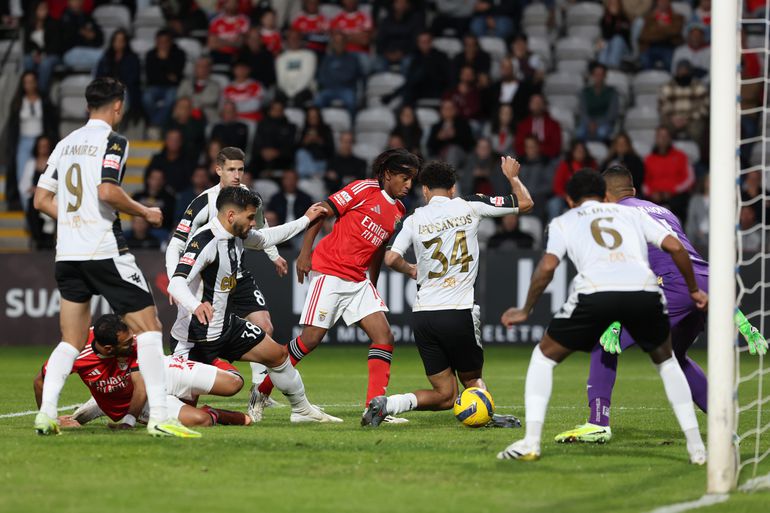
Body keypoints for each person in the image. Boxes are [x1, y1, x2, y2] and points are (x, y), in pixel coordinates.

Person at [496, 169, 708, 464]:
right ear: (604, 194)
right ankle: (697, 447)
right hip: (645, 291)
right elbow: (675, 247)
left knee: (545, 356)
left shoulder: (565, 220)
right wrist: (694, 289)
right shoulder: (636, 214)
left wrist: (525, 309)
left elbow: (547, 267)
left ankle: (534, 441)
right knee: (668, 362)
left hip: (597, 292)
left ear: (569, 199)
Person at [32, 77, 197, 438]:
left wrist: (74, 220)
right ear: (118, 106)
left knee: (72, 340)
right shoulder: (114, 141)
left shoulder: (64, 143)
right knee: (149, 328)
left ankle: (46, 414)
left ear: (87, 105)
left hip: (68, 253)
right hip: (103, 249)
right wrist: (145, 212)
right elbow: (107, 191)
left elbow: (41, 200)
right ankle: (159, 417)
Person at [553, 166, 767, 443]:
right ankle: (724, 429)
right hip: (708, 282)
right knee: (676, 356)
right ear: (632, 190)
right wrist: (741, 322)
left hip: (673, 286)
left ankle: (598, 423)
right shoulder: (663, 212)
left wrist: (616, 321)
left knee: (602, 343)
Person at [250, 149, 422, 422]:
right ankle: (261, 391)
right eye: (405, 178)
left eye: (412, 179)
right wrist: (305, 254)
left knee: (384, 337)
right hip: (330, 272)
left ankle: (374, 409)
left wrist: (373, 282)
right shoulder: (363, 189)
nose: (409, 185)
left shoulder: (398, 210)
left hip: (358, 280)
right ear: (388, 174)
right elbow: (321, 212)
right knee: (310, 340)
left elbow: (379, 248)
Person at [363, 157, 533, 426]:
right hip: (458, 311)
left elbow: (391, 258)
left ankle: (389, 404)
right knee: (472, 379)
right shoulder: (470, 205)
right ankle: (486, 417)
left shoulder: (414, 219)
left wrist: (411, 270)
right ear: (453, 188)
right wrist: (512, 177)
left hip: (424, 316)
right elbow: (525, 203)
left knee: (445, 395)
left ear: (425, 190)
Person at [167, 186, 340, 423]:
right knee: (184, 415)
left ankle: (302, 410)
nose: (253, 223)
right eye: (250, 217)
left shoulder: (238, 235)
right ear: (231, 215)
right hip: (194, 338)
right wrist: (195, 305)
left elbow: (268, 237)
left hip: (226, 327)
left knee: (278, 355)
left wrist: (305, 220)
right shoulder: (205, 241)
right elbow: (176, 283)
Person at [166, 148, 289, 420]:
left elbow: (260, 230)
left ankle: (259, 391)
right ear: (218, 170)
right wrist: (176, 278)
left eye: (240, 169)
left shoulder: (248, 198)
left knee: (265, 325)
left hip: (237, 273)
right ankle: (184, 378)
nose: (236, 175)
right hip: (208, 275)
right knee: (203, 334)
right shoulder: (203, 202)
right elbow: (176, 243)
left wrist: (274, 256)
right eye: (231, 169)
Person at [34, 314, 250, 430]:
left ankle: (207, 357)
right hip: (139, 400)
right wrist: (49, 417)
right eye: (127, 343)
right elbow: (40, 382)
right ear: (109, 349)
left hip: (161, 370)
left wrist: (128, 422)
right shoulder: (76, 351)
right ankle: (214, 412)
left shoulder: (133, 342)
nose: (134, 342)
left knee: (233, 384)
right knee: (202, 420)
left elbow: (141, 384)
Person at [7, 71, 58, 210]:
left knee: (45, 174)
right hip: (23, 142)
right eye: (26, 82)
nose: (29, 85)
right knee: (22, 174)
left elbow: (51, 122)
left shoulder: (44, 100)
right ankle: (28, 209)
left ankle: (42, 208)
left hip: (41, 142)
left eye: (32, 82)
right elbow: (13, 126)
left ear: (36, 83)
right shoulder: (18, 102)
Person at [642, 126, 693, 220]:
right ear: (656, 138)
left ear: (670, 138)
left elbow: (689, 179)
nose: (663, 139)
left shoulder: (681, 156)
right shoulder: (648, 159)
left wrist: (673, 191)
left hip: (676, 196)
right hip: (654, 197)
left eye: (665, 136)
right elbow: (644, 181)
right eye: (660, 136)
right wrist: (651, 193)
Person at [95, 29, 142, 123]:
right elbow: (99, 75)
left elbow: (133, 77)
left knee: (121, 95)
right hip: (107, 87)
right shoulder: (106, 57)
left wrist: (118, 84)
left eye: (121, 41)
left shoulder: (132, 58)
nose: (118, 43)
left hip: (125, 87)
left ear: (125, 43)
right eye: (116, 40)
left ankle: (118, 120)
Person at [143, 29, 186, 129]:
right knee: (146, 98)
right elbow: (151, 76)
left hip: (172, 87)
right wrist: (168, 75)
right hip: (154, 86)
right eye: (160, 42)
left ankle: (154, 125)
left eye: (165, 42)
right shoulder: (151, 54)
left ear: (170, 42)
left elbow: (177, 75)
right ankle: (157, 124)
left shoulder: (179, 54)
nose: (162, 45)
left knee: (170, 100)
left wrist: (164, 60)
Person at [659, 59, 709, 146]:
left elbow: (704, 107)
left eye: (685, 71)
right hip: (673, 119)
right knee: (663, 131)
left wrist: (687, 119)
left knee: (697, 131)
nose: (682, 73)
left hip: (692, 120)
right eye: (680, 70)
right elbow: (662, 106)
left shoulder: (698, 86)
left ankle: (696, 153)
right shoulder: (667, 86)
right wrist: (673, 118)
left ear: (689, 72)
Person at [316, 31, 363, 119]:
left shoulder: (352, 59)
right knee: (317, 102)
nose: (339, 44)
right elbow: (322, 76)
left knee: (351, 102)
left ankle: (352, 125)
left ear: (345, 43)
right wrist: (337, 76)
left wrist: (333, 75)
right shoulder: (327, 59)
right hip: (329, 89)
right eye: (336, 42)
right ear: (333, 44)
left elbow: (349, 76)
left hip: (346, 89)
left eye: (341, 42)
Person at [548, 141, 597, 220]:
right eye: (577, 150)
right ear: (572, 152)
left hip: (586, 198)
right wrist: (567, 197)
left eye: (582, 150)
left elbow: (595, 184)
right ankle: (553, 226)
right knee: (554, 203)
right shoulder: (565, 165)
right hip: (566, 198)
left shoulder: (591, 164)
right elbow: (557, 186)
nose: (580, 152)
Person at [23, 0, 63, 92]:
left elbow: (56, 45)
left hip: (52, 55)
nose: (44, 11)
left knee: (45, 64)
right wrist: (34, 54)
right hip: (35, 55)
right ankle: (30, 90)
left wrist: (43, 55)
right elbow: (27, 46)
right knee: (28, 60)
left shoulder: (54, 23)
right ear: (35, 10)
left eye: (45, 9)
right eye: (41, 9)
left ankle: (41, 92)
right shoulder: (29, 25)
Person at [516, 135, 556, 221]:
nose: (530, 149)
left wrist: (532, 191)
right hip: (521, 197)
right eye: (527, 147)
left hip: (539, 198)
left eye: (532, 146)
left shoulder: (545, 162)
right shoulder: (519, 162)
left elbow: (550, 185)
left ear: (538, 147)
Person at [577, 62, 619, 142]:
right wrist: (589, 123)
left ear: (605, 76)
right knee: (579, 133)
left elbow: (612, 114)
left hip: (604, 122)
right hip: (588, 123)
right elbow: (582, 111)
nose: (598, 77)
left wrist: (597, 124)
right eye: (596, 74)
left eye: (601, 75)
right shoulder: (585, 92)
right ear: (592, 76)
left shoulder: (612, 92)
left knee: (601, 133)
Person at [252, 100, 297, 174]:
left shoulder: (291, 127)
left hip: (282, 159)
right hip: (261, 158)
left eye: (279, 110)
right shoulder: (261, 125)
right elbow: (256, 143)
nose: (277, 112)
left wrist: (277, 153)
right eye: (274, 109)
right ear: (269, 111)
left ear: (283, 111)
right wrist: (263, 152)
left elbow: (290, 146)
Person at [427, 99, 474, 169]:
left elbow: (469, 144)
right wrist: (439, 138)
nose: (448, 110)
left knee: (452, 150)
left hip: (459, 154)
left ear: (455, 110)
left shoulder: (463, 124)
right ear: (441, 111)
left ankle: (450, 174)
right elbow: (430, 146)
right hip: (440, 155)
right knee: (433, 160)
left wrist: (455, 135)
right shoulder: (436, 126)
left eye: (450, 108)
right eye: (445, 108)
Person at [275, 29, 317, 108]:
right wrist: (289, 92)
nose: (294, 40)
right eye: (291, 38)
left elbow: (306, 77)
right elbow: (281, 78)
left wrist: (293, 93)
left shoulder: (309, 55)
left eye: (296, 38)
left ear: (301, 40)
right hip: (286, 89)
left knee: (299, 99)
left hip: (304, 89)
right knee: (278, 97)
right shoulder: (281, 58)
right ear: (287, 41)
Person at [638, 0, 684, 71]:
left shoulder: (677, 17)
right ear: (657, 2)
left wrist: (655, 29)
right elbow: (645, 35)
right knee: (644, 61)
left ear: (669, 3)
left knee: (669, 63)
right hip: (650, 47)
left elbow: (675, 31)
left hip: (669, 47)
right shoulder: (649, 18)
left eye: (665, 1)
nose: (663, 3)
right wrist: (666, 27)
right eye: (661, 1)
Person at [145, 129, 195, 194]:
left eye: (176, 140)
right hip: (160, 195)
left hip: (181, 195)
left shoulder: (188, 160)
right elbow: (148, 178)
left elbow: (191, 181)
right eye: (171, 139)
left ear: (181, 142)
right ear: (166, 141)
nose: (173, 142)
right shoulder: (157, 159)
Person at [514, 94, 562, 161]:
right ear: (529, 105)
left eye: (539, 103)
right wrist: (531, 151)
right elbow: (518, 147)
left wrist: (538, 149)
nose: (537, 105)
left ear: (544, 105)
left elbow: (556, 147)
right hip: (526, 160)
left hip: (548, 160)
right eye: (534, 103)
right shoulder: (523, 125)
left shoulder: (554, 125)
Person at [59, 0, 103, 70]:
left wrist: (93, 36)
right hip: (70, 53)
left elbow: (100, 38)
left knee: (102, 60)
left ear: (82, 2)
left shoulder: (87, 17)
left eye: (79, 0)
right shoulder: (64, 18)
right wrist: (84, 34)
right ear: (68, 2)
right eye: (74, 1)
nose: (77, 3)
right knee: (105, 57)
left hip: (89, 51)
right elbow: (66, 41)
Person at [177, 56, 222, 124]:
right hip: (186, 114)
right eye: (199, 66)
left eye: (205, 66)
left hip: (207, 116)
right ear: (195, 68)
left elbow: (211, 100)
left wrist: (190, 102)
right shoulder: (185, 83)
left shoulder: (215, 85)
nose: (202, 69)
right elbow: (180, 97)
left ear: (210, 68)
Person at [133, 168, 176, 235]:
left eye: (159, 179)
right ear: (148, 179)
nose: (157, 182)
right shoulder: (138, 196)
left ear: (164, 181)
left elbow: (169, 219)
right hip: (138, 229)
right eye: (154, 178)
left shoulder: (169, 199)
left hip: (160, 230)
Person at [295, 106, 334, 178]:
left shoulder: (326, 129)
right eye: (310, 117)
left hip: (321, 162)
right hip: (307, 164)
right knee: (301, 153)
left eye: (315, 117)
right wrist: (305, 142)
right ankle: (313, 175)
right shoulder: (304, 130)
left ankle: (312, 176)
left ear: (319, 117)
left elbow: (331, 150)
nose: (312, 119)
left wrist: (319, 141)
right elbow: (296, 149)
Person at [208, 0, 250, 65]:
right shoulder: (216, 21)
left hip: (236, 55)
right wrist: (231, 42)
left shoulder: (244, 20)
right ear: (224, 4)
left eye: (234, 2)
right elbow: (212, 44)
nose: (232, 5)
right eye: (229, 2)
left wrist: (220, 41)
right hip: (217, 54)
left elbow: (240, 44)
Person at [597, 0, 632, 69]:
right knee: (604, 43)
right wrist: (612, 18)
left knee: (617, 39)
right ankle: (602, 67)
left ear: (619, 5)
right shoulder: (605, 19)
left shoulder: (624, 18)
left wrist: (615, 17)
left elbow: (623, 35)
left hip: (624, 48)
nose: (613, 6)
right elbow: (605, 35)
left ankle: (612, 67)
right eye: (611, 4)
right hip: (609, 44)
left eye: (615, 4)